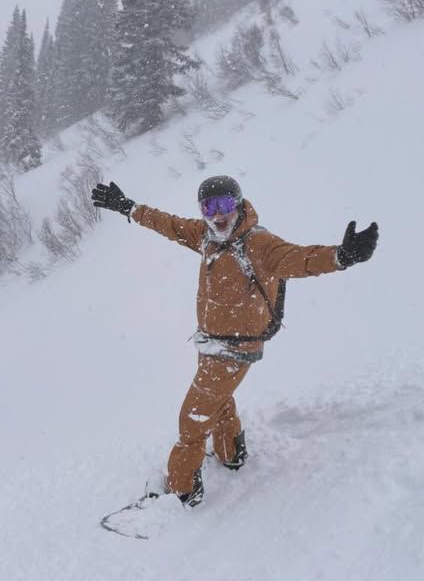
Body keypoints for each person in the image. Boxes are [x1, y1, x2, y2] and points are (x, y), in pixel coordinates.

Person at [91, 176, 378, 506]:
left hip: (233, 349)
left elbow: (300, 258)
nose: (217, 215)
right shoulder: (206, 236)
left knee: (192, 420)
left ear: (239, 204)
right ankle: (231, 453)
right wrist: (129, 207)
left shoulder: (258, 244)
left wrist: (342, 256)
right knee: (220, 402)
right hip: (211, 344)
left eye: (224, 205)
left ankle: (181, 491)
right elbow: (169, 224)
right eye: (208, 208)